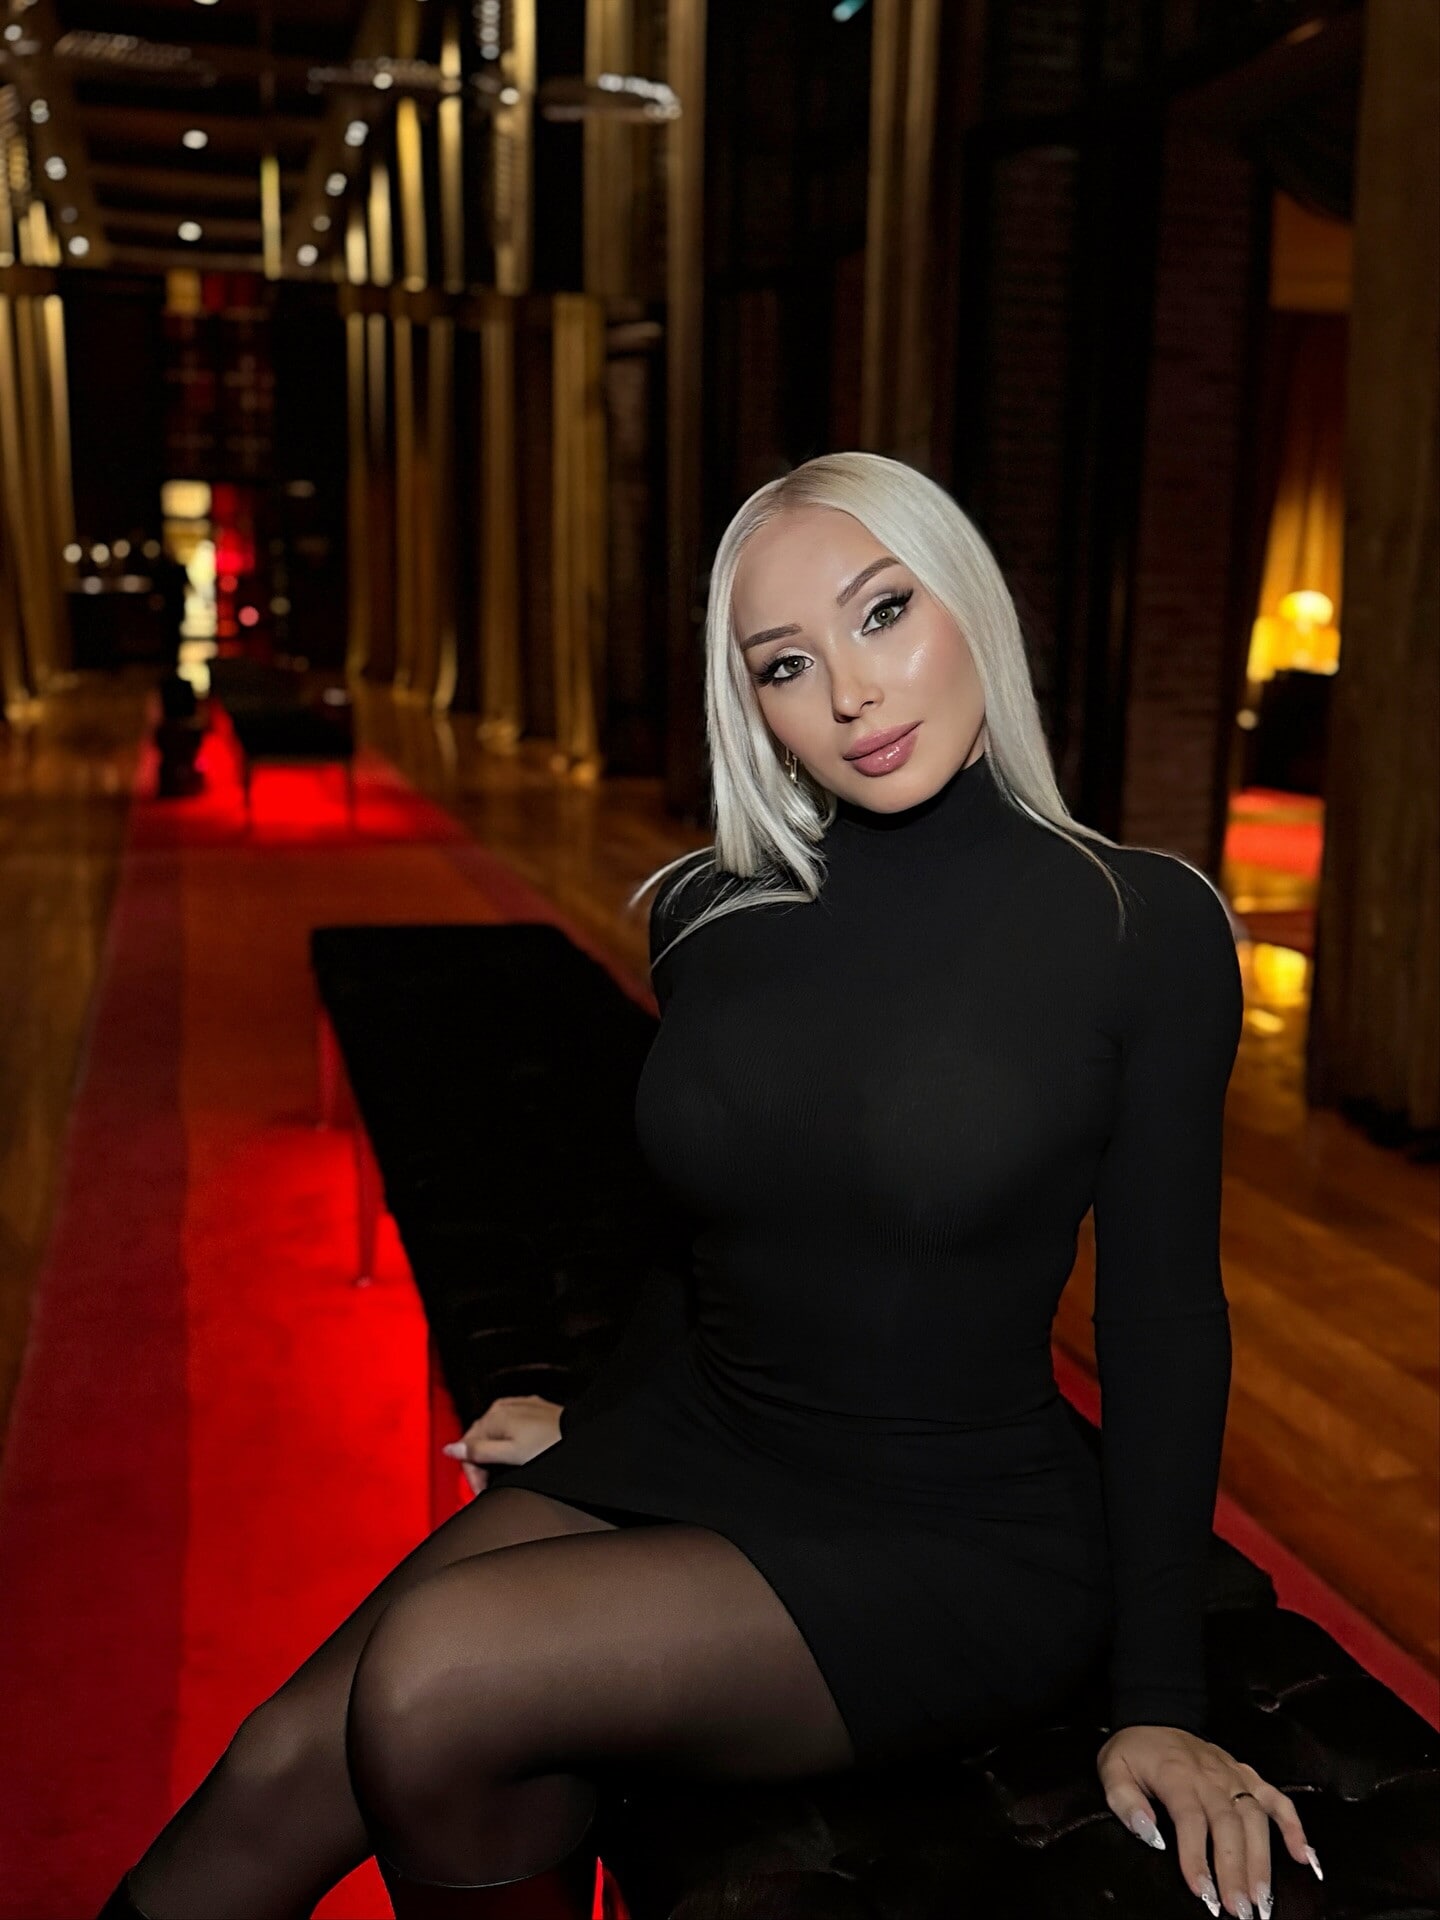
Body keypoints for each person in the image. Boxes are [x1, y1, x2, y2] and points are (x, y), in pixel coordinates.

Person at [97, 453, 1321, 1920]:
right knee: (276, 1758)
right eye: (785, 663)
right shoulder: (706, 911)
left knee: (433, 1680)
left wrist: (1162, 1700)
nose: (851, 694)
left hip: (953, 1529)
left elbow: (1167, 1321)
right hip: (706, 1439)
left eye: (883, 613)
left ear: (970, 601)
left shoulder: (1142, 924)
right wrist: (598, 1419)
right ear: (750, 703)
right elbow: (703, 1238)